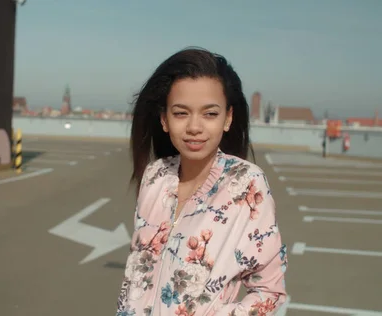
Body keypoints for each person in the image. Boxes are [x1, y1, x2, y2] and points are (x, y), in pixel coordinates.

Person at [116, 47, 288, 316]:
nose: (194, 127)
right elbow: (137, 271)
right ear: (164, 119)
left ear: (228, 118)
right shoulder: (155, 176)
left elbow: (269, 292)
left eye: (209, 114)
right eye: (181, 113)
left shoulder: (246, 184)